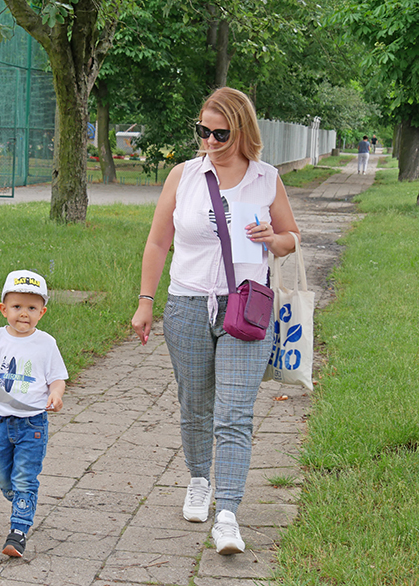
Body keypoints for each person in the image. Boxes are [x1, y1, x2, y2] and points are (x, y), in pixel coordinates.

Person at [131, 87, 300, 555]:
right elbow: (157, 243)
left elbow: (291, 238)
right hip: (186, 304)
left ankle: (227, 512)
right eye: (202, 130)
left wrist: (273, 237)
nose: (209, 139)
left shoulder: (266, 179)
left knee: (235, 413)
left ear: (241, 130)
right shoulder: (183, 176)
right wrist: (146, 301)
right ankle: (200, 478)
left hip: (246, 307)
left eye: (220, 132)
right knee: (195, 404)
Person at [0, 270, 67, 557]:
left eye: (32, 308)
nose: (24, 314)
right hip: (0, 423)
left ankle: (18, 531)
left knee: (24, 478)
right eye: (17, 307)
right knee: (2, 478)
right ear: (3, 309)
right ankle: (22, 499)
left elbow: (58, 377)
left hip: (32, 424)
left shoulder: (46, 344)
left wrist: (55, 393)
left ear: (42, 312)